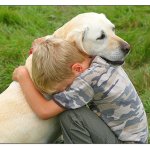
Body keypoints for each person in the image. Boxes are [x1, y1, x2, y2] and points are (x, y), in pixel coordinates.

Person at [13, 37, 148, 144]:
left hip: (124, 144)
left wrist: (22, 76)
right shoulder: (95, 55)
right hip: (134, 138)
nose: (65, 91)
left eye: (65, 87)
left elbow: (44, 111)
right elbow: (62, 47)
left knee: (71, 115)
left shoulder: (86, 81)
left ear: (77, 69)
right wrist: (43, 47)